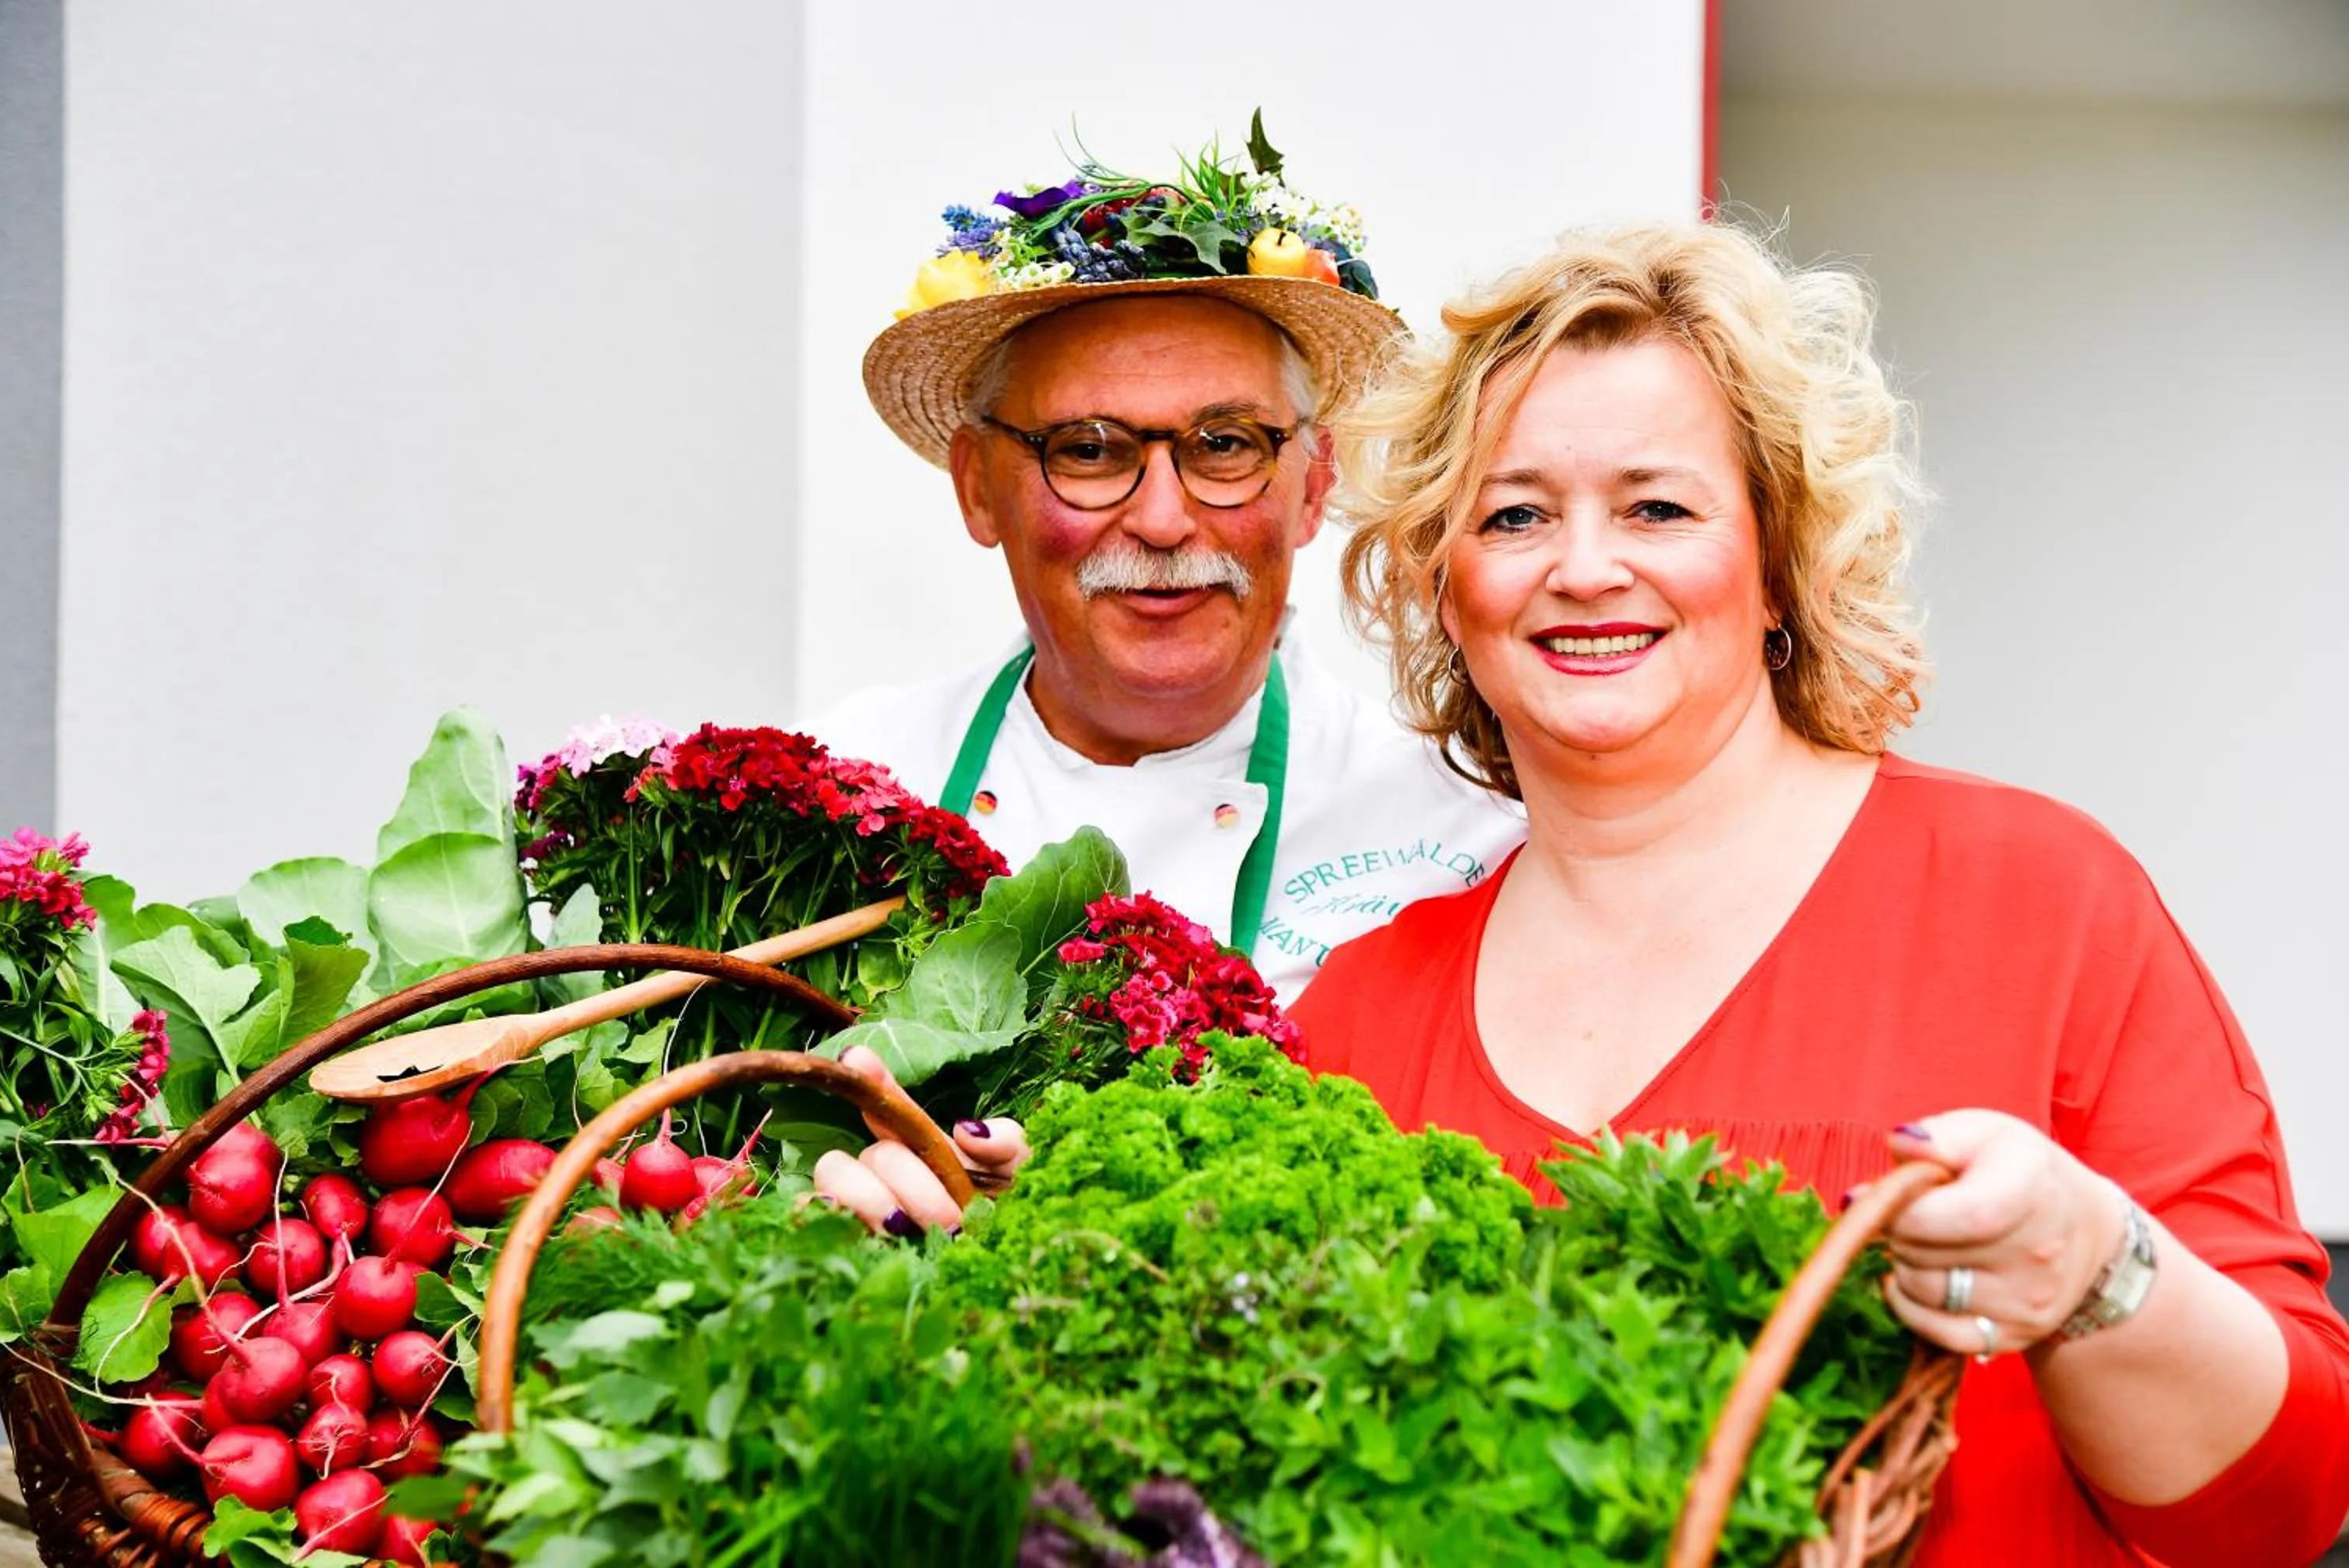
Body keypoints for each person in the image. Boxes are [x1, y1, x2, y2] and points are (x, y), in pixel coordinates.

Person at [1280, 222, 2349, 1564]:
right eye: (1514, 515)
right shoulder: (1362, 1013)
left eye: (1657, 506)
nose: (1585, 566)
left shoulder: (2040, 906)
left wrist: (2096, 1274)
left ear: (1781, 562)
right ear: (1449, 588)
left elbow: (2281, 1506)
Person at [819, 127, 1523, 1011]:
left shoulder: (1467, 835)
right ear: (978, 491)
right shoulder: (845, 795)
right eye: (1089, 449)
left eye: (1225, 445)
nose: (1161, 520)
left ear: (1315, 488)